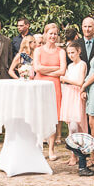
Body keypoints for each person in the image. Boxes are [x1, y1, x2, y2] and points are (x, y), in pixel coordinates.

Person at [32, 24, 66, 153]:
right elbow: (37, 68)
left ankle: (51, 150)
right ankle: (38, 147)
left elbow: (62, 71)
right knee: (39, 116)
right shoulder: (38, 50)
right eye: (50, 33)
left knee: (52, 118)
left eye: (55, 34)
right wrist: (55, 68)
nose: (53, 36)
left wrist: (45, 70)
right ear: (45, 34)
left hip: (54, 87)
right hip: (39, 86)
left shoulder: (61, 51)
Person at [59, 39, 87, 138]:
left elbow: (80, 82)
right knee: (70, 123)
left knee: (77, 122)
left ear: (78, 51)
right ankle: (72, 147)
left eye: (73, 52)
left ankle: (78, 143)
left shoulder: (82, 64)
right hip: (69, 94)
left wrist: (66, 79)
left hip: (76, 94)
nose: (71, 55)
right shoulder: (70, 66)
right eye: (69, 53)